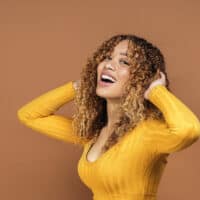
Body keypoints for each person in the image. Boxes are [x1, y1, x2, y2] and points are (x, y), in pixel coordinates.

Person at [17, 34, 200, 200]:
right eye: (107, 57)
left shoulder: (148, 131)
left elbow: (189, 130)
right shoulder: (92, 133)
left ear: (142, 78)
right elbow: (29, 115)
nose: (109, 65)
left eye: (124, 62)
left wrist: (156, 91)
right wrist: (79, 87)